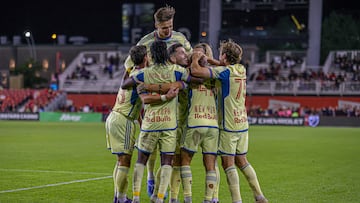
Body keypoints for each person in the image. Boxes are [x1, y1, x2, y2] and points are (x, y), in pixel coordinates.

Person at [123, 5, 193, 197]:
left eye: (170, 26)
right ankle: (151, 176)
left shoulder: (181, 39)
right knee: (150, 146)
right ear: (156, 25)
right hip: (152, 101)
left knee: (171, 148)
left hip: (176, 101)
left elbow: (190, 61)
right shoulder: (145, 42)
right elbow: (130, 69)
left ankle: (167, 194)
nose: (168, 31)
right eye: (164, 28)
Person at [190, 39, 268, 203]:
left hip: (228, 125)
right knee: (242, 161)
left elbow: (197, 72)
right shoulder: (241, 69)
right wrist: (211, 60)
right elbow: (222, 65)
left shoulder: (224, 73)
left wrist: (196, 58)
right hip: (242, 123)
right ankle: (259, 196)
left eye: (221, 54)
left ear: (224, 56)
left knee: (228, 164)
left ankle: (237, 200)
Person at [105, 45, 147, 203]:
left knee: (120, 160)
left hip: (114, 117)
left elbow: (136, 106)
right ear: (145, 58)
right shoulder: (141, 75)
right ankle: (121, 199)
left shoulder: (129, 74)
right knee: (125, 161)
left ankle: (118, 196)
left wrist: (142, 123)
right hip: (124, 120)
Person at [180, 45, 219, 203]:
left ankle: (188, 198)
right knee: (210, 165)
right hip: (213, 124)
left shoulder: (189, 72)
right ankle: (209, 200)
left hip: (195, 121)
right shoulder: (215, 74)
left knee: (185, 160)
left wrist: (194, 59)